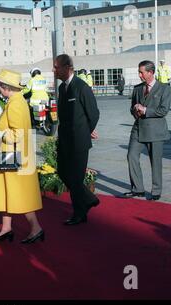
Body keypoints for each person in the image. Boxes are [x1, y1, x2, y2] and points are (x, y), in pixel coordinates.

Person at [0, 69, 43, 243]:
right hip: (12, 155)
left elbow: (17, 134)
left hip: (13, 156)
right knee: (7, 193)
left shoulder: (15, 104)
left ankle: (36, 228)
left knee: (18, 195)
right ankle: (6, 228)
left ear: (5, 87)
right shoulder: (15, 101)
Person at [53, 54, 100, 226]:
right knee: (63, 172)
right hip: (65, 140)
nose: (54, 70)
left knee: (75, 178)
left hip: (79, 142)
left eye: (56, 67)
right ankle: (88, 198)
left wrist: (85, 132)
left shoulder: (81, 87)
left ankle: (79, 213)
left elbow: (93, 113)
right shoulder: (62, 88)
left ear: (67, 67)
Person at [119, 60, 171, 201]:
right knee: (131, 156)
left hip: (155, 131)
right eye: (139, 72)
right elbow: (132, 108)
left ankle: (156, 190)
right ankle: (138, 189)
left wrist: (145, 109)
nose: (139, 75)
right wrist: (135, 110)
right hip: (138, 129)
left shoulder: (164, 88)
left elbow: (163, 110)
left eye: (141, 72)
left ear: (150, 72)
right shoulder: (137, 89)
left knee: (155, 162)